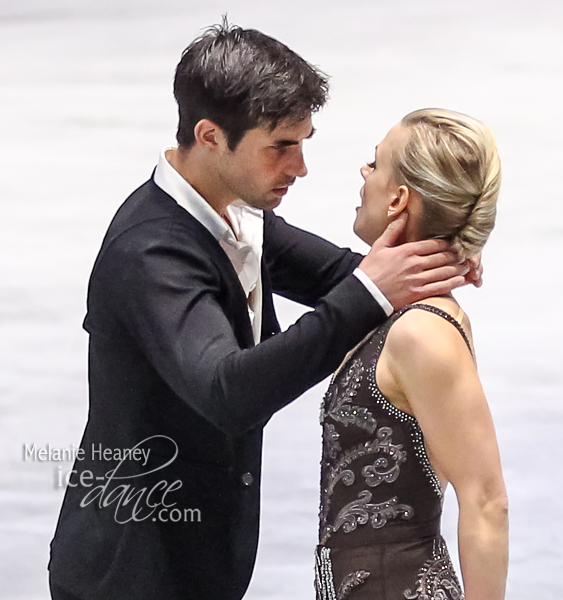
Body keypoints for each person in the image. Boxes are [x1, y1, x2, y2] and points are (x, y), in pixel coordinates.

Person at [48, 22, 476, 600]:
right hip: (130, 570)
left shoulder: (235, 213)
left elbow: (340, 275)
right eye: (281, 146)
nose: (299, 167)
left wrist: (435, 258)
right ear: (210, 135)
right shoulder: (150, 252)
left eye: (303, 142)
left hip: (203, 559)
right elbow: (229, 393)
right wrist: (376, 290)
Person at [316, 109, 508, 600]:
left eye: (375, 165)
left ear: (400, 199)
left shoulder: (421, 331)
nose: (364, 173)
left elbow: (486, 500)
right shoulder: (406, 315)